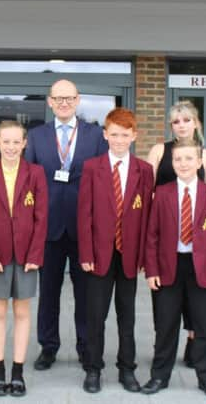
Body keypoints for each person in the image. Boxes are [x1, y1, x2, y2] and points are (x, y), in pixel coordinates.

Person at [25, 79, 108, 370]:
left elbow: (102, 184)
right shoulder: (36, 136)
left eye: (68, 98)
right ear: (49, 102)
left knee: (86, 293)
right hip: (47, 228)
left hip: (84, 228)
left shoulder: (96, 136)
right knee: (48, 292)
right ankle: (48, 346)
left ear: (77, 100)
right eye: (57, 98)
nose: (63, 103)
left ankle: (86, 347)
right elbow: (28, 184)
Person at [141, 138, 206, 398]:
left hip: (201, 268)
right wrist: (152, 270)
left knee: (202, 326)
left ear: (199, 162)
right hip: (169, 266)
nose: (183, 164)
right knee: (166, 325)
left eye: (189, 159)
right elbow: (152, 235)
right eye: (178, 159)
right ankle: (159, 376)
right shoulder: (163, 193)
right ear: (172, 163)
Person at [77, 108, 154, 393]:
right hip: (99, 253)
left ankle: (127, 368)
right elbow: (84, 214)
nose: (119, 140)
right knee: (96, 314)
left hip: (129, 255)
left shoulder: (144, 171)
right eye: (114, 135)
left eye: (125, 135)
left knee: (127, 315)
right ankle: (93, 368)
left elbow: (146, 215)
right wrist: (85, 253)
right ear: (105, 135)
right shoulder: (92, 167)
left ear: (134, 136)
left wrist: (146, 256)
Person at [0, 120, 48, 397]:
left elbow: (42, 218)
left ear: (24, 144)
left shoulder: (36, 173)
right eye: (6, 141)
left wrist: (35, 254)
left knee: (22, 312)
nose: (11, 147)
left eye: (16, 142)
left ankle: (17, 372)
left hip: (27, 256)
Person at [146, 100, 206, 367]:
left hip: (195, 239)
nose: (182, 125)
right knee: (164, 300)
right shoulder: (158, 151)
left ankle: (192, 342)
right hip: (165, 234)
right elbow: (147, 191)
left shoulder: (205, 156)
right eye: (176, 121)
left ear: (195, 123)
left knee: (195, 300)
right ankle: (162, 346)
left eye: (186, 120)